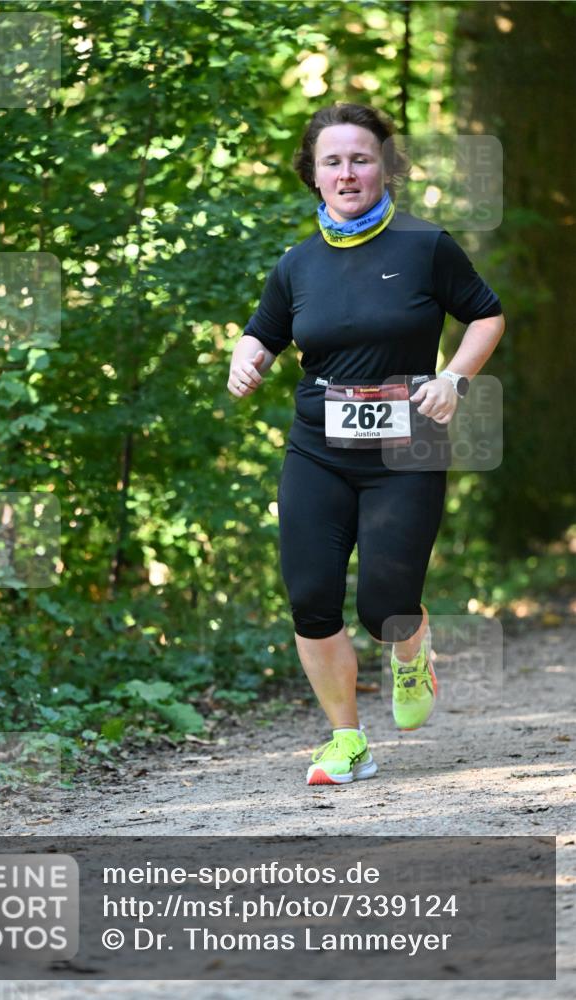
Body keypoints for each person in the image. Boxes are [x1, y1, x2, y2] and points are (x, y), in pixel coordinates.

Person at [228, 103, 505, 786]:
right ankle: (345, 739)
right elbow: (262, 331)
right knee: (312, 597)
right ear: (312, 175)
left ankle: (408, 648)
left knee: (384, 603)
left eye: (360, 157)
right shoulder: (296, 265)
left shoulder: (424, 246)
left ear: (383, 166)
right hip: (316, 451)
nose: (347, 172)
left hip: (405, 451)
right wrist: (247, 356)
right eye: (332, 161)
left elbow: (485, 314)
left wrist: (452, 378)